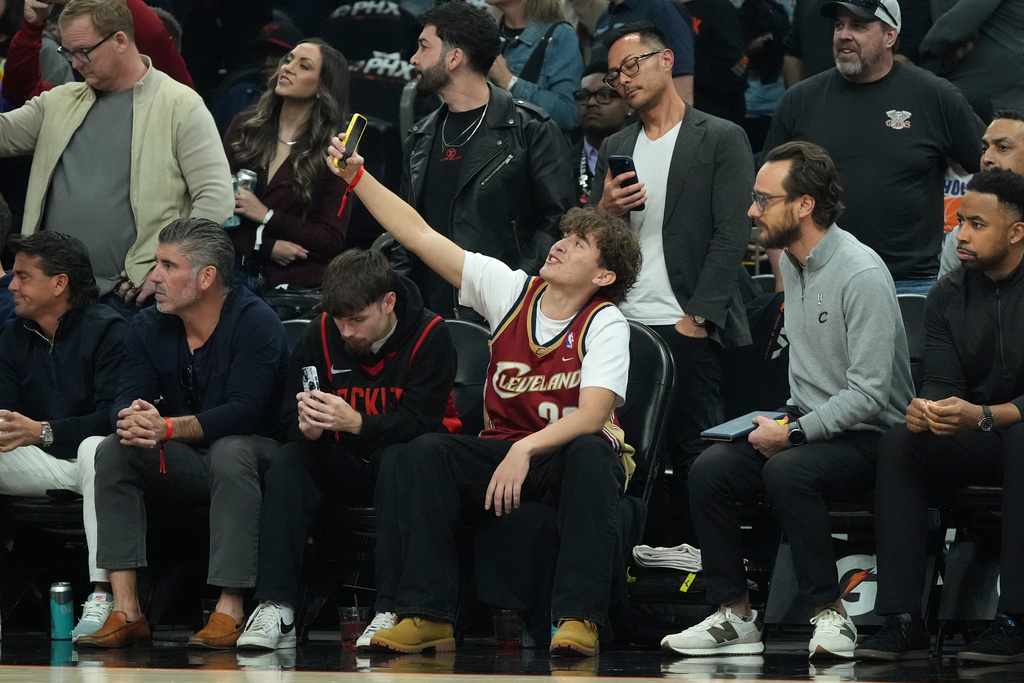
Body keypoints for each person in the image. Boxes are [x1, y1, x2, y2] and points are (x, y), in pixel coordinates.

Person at [326, 136, 642, 658]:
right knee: (425, 450)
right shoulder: (511, 289)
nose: (560, 244)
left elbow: (592, 415)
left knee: (591, 451)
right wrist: (357, 178)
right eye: (564, 235)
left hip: (565, 456)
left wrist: (525, 449)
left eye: (579, 244)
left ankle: (579, 618)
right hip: (504, 450)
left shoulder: (605, 321)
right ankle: (426, 615)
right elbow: (420, 235)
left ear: (604, 275)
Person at [661, 140, 913, 659]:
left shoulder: (860, 272)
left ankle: (831, 615)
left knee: (787, 471)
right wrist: (784, 423)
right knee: (710, 468)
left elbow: (869, 395)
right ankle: (734, 614)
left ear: (804, 205)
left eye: (764, 199)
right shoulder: (794, 267)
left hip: (874, 439)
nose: (752, 210)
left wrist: (794, 433)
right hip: (811, 424)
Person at [75, 218, 289, 649]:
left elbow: (245, 413)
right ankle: (126, 609)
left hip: (262, 460)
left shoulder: (255, 321)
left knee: (230, 450)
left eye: (168, 266)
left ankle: (229, 609)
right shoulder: (149, 324)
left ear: (206, 278)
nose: (154, 277)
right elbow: (123, 396)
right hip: (190, 461)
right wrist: (132, 417)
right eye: (156, 264)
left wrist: (167, 426)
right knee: (115, 449)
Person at [235, 248, 457, 651]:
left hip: (407, 469)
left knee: (398, 458)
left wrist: (355, 421)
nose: (347, 332)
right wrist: (307, 430)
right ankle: (276, 606)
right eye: (339, 320)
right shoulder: (319, 333)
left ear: (388, 302)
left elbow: (421, 425)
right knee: (290, 459)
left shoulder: (431, 334)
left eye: (357, 320)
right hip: (341, 463)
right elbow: (287, 421)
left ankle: (390, 608)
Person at [590, 22, 753, 546]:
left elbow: (731, 236)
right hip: (622, 324)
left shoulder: (721, 136)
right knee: (625, 453)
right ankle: (641, 566)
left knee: (695, 456)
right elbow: (596, 243)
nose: (622, 80)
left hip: (685, 322)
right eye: (615, 73)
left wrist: (699, 318)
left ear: (666, 60)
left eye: (631, 66)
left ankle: (710, 577)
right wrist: (603, 209)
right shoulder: (617, 142)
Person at [856, 168, 1024, 665]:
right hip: (982, 431)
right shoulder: (949, 294)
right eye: (959, 222)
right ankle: (903, 619)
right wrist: (929, 409)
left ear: (1016, 232)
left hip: (1011, 432)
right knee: (901, 443)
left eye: (976, 224)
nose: (961, 234)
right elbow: (944, 383)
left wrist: (987, 415)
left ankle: (1014, 619)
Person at [0, 0, 232, 312]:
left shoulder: (180, 104)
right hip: (50, 294)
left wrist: (167, 267)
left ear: (120, 40)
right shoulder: (60, 101)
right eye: (67, 53)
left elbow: (216, 197)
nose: (75, 63)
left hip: (129, 299)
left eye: (83, 51)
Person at [763, 0, 984, 293]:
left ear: (890, 35)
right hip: (818, 279)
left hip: (909, 283)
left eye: (858, 26)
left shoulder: (934, 96)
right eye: (839, 25)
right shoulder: (799, 101)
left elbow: (994, 174)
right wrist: (783, 279)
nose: (843, 34)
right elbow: (768, 197)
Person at [395, 2, 575, 321]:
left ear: (454, 58)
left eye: (424, 47)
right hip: (428, 318)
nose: (414, 59)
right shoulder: (420, 136)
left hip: (507, 312)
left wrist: (512, 289)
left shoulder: (532, 130)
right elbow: (405, 230)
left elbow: (558, 221)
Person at [0, 233, 127, 640]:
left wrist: (43, 431)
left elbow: (112, 419)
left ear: (59, 283)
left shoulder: (109, 330)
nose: (11, 285)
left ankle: (102, 594)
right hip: (44, 464)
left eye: (23, 276)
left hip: (103, 464)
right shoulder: (13, 335)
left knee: (96, 448)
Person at [224, 38, 352, 291]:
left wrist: (268, 216)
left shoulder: (336, 148)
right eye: (289, 60)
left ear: (322, 87)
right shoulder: (245, 127)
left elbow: (331, 238)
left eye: (304, 66)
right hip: (233, 271)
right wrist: (261, 245)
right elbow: (212, 205)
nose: (288, 68)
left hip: (295, 286)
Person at [3, 0, 193, 108]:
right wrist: (32, 27)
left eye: (85, 51)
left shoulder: (176, 104)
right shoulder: (81, 102)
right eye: (73, 53)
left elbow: (154, 35)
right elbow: (21, 93)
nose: (76, 64)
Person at [939, 110, 1024, 278]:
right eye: (985, 148)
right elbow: (947, 299)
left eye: (1003, 148)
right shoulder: (962, 236)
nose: (987, 158)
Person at [487, 0, 585, 135]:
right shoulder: (487, 35)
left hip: (536, 150)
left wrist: (509, 82)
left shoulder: (560, 35)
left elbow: (568, 114)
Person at [590, 0, 695, 104]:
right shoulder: (604, 17)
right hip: (612, 114)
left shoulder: (662, 9)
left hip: (651, 117)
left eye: (631, 65)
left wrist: (681, 119)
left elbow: (682, 85)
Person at [574, 63, 631, 206]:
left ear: (630, 105)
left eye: (604, 95)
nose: (591, 103)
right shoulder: (561, 161)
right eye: (584, 96)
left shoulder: (645, 155)